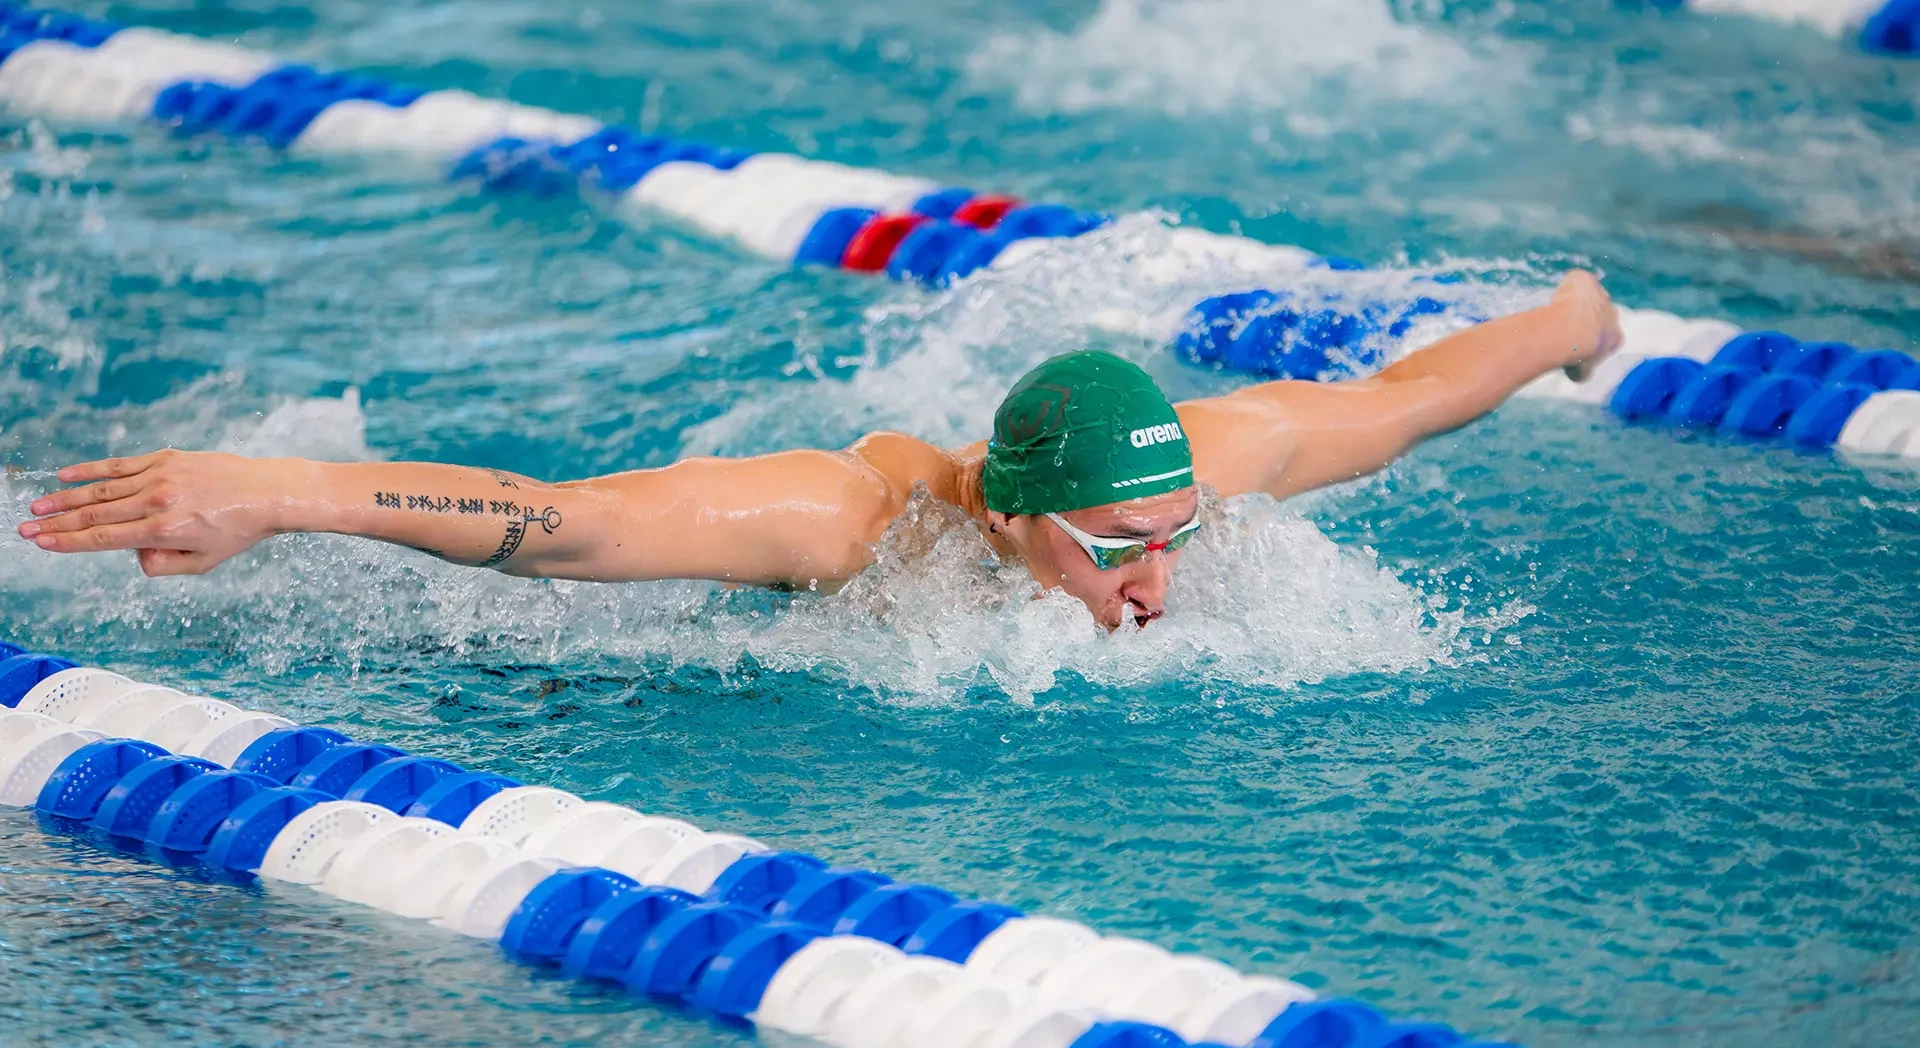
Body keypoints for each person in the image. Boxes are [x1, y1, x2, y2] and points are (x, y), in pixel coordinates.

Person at [19, 271, 1622, 632]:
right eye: (1115, 546)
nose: (1160, 578)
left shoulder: (1191, 464)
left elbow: (1408, 397)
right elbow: (557, 528)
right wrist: (274, 491)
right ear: (1008, 512)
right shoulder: (842, 521)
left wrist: (1567, 322)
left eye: (1172, 532)